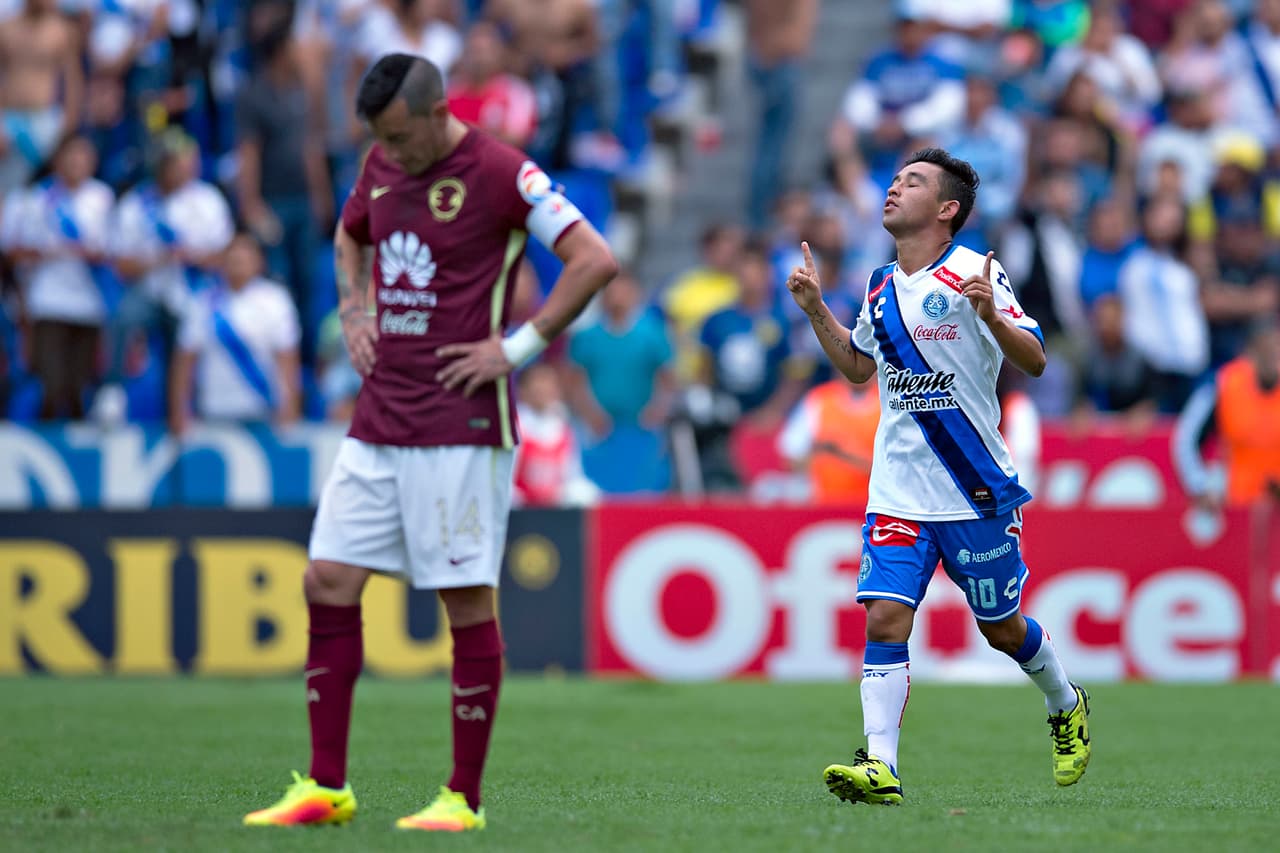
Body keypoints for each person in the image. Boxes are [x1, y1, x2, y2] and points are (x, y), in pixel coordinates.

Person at [243, 53, 617, 832]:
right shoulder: (381, 164)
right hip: (380, 416)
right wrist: (353, 310)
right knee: (329, 580)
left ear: (439, 111)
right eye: (380, 138)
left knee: (464, 599)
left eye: (401, 135)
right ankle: (325, 784)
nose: (392, 151)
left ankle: (462, 796)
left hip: (462, 424)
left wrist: (515, 348)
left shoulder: (502, 173)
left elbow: (595, 260)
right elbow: (351, 239)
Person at [785, 148, 1091, 807]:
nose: (894, 187)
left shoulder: (974, 272)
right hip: (897, 489)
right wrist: (815, 309)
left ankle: (1065, 701)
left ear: (946, 209)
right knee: (886, 615)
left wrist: (987, 317)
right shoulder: (877, 286)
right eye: (894, 179)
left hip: (974, 486)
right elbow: (860, 369)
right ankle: (881, 764)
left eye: (912, 182)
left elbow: (1034, 358)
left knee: (1001, 629)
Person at [169, 232, 302, 436]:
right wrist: (179, 410)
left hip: (262, 410)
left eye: (244, 259)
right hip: (214, 411)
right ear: (222, 262)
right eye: (232, 259)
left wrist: (290, 406)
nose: (238, 264)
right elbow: (185, 361)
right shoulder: (203, 301)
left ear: (259, 262)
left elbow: (287, 358)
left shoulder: (275, 300)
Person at [1173, 317, 1280, 509]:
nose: (1271, 357)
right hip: (1236, 504)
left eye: (1275, 349)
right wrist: (1201, 486)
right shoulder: (1224, 385)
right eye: (1264, 350)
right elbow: (1186, 439)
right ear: (1248, 353)